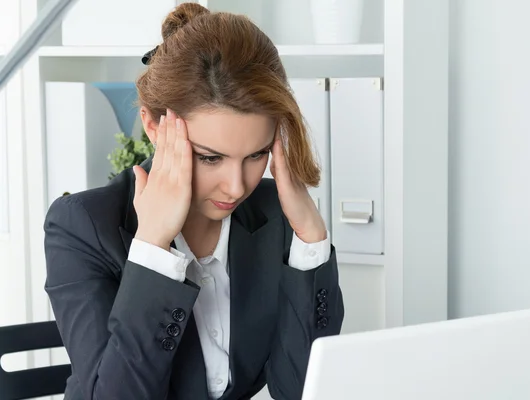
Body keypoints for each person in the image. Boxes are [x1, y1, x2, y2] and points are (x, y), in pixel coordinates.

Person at [43, 3, 344, 400]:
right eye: (210, 157)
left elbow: (297, 390)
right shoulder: (81, 226)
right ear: (153, 125)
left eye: (256, 155)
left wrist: (310, 238)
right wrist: (152, 247)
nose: (236, 187)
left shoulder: (277, 216)